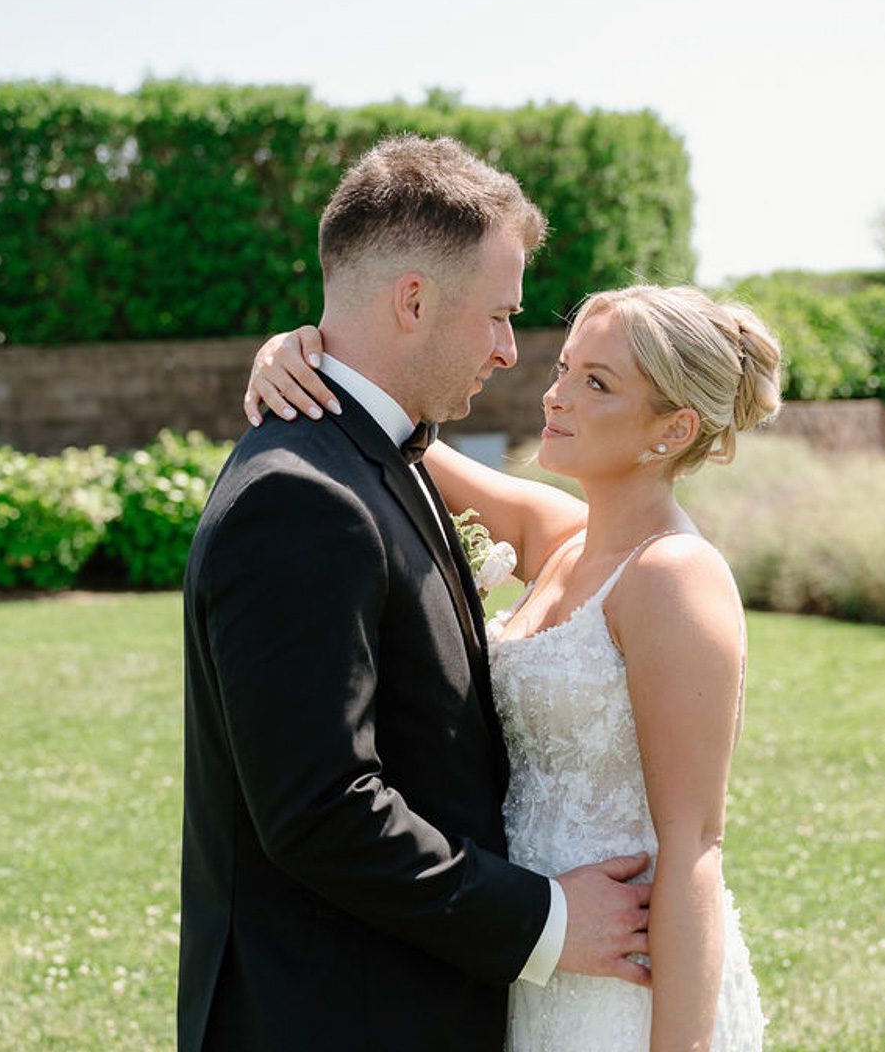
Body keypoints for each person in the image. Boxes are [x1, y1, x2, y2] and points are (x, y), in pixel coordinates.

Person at [178, 135, 657, 1052]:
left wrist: (299, 350)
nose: (512, 352)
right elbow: (321, 811)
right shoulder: (301, 497)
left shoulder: (376, 455)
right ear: (413, 300)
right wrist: (550, 922)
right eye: (498, 317)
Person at [245, 282, 780, 1051]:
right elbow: (391, 439)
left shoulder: (673, 577)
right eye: (564, 367)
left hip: (630, 989)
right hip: (532, 951)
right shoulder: (560, 537)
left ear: (674, 428)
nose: (554, 396)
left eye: (596, 383)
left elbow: (695, 846)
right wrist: (295, 356)